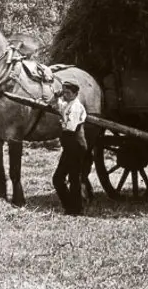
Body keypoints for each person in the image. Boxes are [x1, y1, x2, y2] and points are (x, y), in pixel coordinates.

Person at [52, 80, 88, 216]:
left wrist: (60, 124)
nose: (65, 95)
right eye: (64, 92)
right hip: (70, 146)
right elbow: (56, 106)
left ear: (75, 94)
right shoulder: (67, 104)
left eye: (68, 92)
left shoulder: (76, 107)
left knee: (69, 178)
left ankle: (74, 209)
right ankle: (71, 208)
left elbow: (70, 127)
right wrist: (56, 97)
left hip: (76, 145)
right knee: (63, 178)